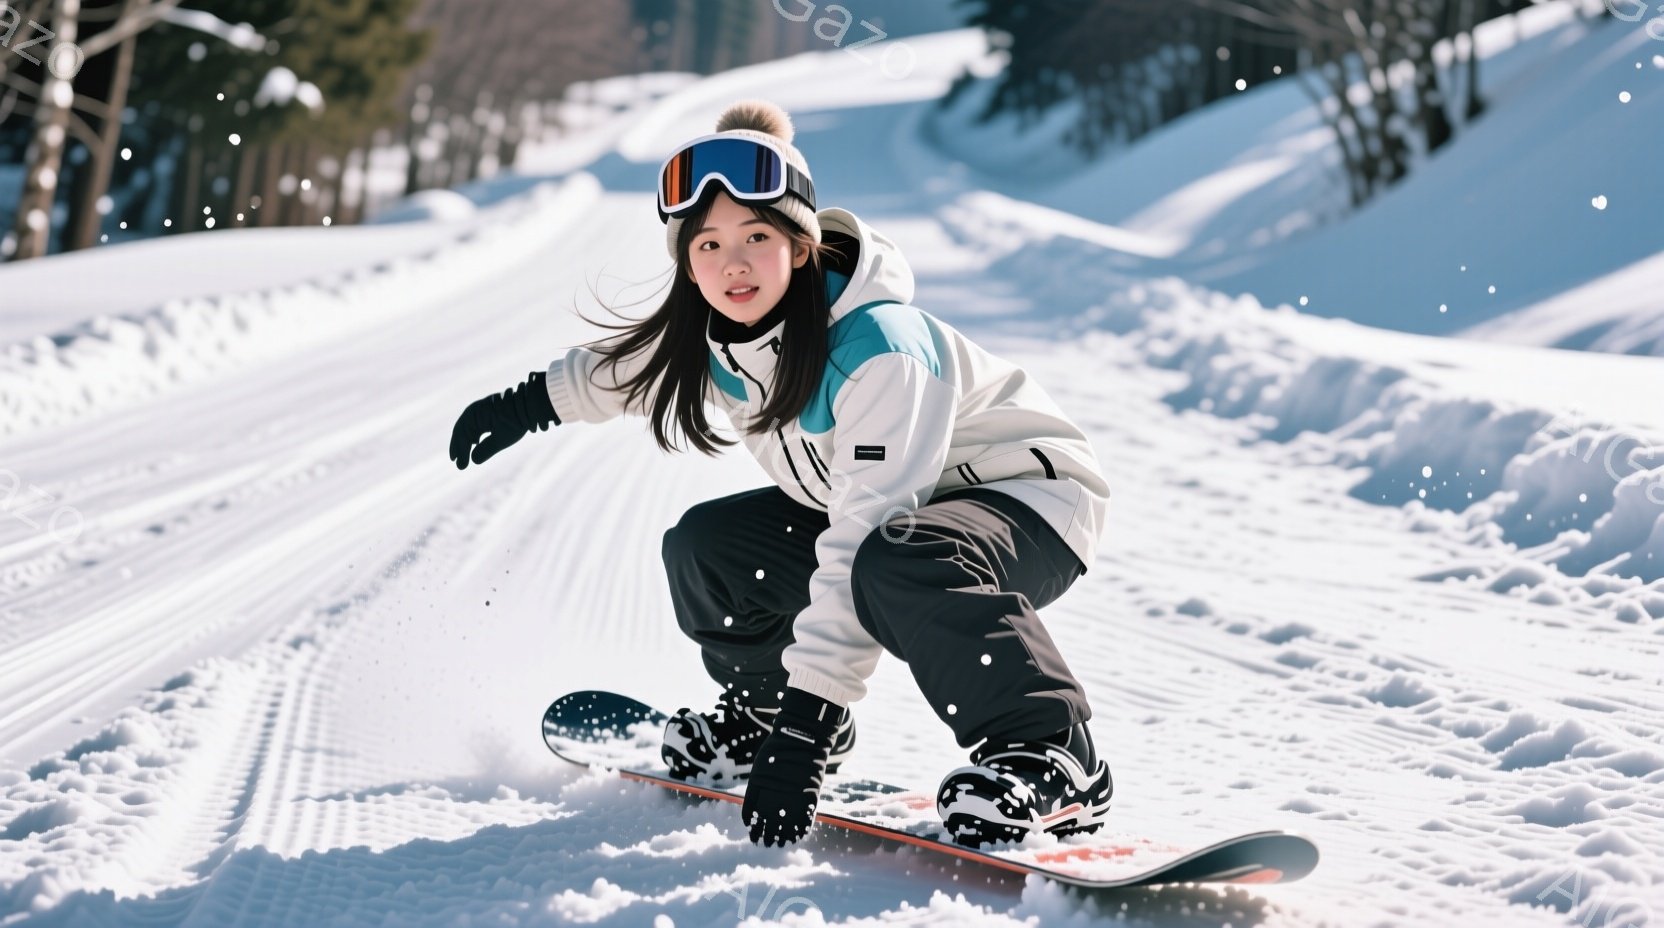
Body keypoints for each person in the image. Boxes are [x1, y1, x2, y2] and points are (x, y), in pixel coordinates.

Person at [449, 99, 1114, 849]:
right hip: (905, 509)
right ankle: (760, 711)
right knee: (708, 547)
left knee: (896, 557)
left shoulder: (878, 348)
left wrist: (808, 727)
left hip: (1027, 498)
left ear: (800, 247)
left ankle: (1053, 755)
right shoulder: (723, 333)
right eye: (708, 244)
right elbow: (626, 371)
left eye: (757, 237)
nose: (732, 263)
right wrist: (527, 404)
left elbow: (867, 529)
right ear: (687, 261)